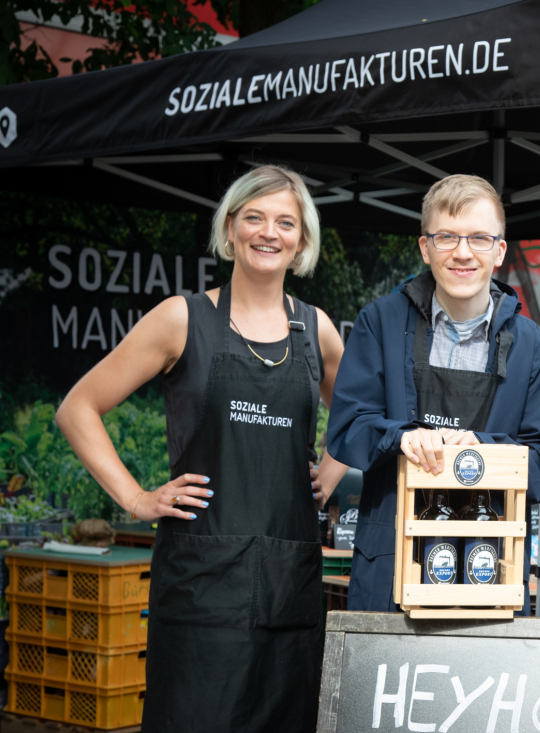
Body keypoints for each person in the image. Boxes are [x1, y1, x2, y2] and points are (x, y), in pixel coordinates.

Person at [56, 165, 348, 733]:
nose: (269, 232)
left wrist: (336, 464)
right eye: (255, 217)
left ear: (302, 240)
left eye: (285, 222)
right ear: (231, 228)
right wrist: (136, 498)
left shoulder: (316, 329)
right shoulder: (181, 318)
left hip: (288, 590)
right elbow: (77, 408)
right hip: (201, 594)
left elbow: (366, 413)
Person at [327, 173, 540, 613]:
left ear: (499, 251)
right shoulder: (379, 323)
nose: (463, 252)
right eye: (447, 238)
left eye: (480, 238)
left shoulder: (532, 348)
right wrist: (401, 437)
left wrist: (483, 449)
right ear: (425, 247)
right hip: (389, 568)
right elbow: (347, 427)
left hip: (489, 570)